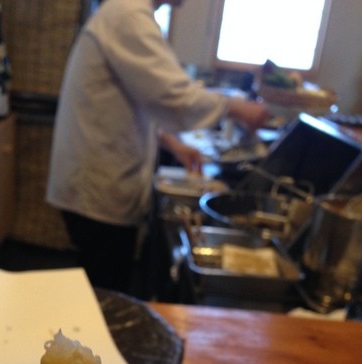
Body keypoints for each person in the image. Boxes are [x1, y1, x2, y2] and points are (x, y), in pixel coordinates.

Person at [46, 0, 269, 293]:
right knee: (105, 292)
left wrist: (172, 143)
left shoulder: (126, 12)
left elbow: (138, 98)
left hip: (96, 182)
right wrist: (237, 107)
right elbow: (174, 95)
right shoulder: (128, 15)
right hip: (95, 187)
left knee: (103, 284)